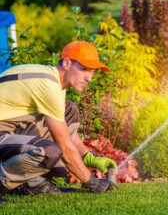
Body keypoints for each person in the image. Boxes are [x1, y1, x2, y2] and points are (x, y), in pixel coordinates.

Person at [0, 41, 118, 204]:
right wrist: (91, 181)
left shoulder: (53, 82)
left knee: (68, 109)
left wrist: (88, 157)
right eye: (84, 69)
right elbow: (64, 146)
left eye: (92, 72)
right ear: (67, 63)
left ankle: (34, 185)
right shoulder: (48, 86)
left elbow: (64, 130)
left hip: (9, 126)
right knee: (49, 152)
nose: (89, 78)